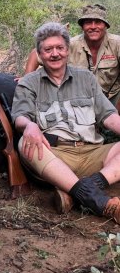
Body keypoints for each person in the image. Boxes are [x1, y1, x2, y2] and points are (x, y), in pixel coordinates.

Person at [11, 22, 120, 223]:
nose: (55, 54)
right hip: (54, 156)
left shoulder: (86, 78)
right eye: (48, 49)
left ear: (67, 51)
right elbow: (20, 116)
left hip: (92, 153)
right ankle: (103, 203)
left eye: (59, 48)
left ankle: (75, 191)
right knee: (25, 144)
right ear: (39, 54)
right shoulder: (29, 82)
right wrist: (30, 125)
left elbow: (108, 115)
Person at [24, 4, 120, 108]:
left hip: (112, 99)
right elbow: (35, 54)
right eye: (88, 22)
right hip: (80, 101)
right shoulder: (70, 44)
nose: (93, 26)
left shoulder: (117, 44)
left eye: (98, 22)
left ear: (105, 25)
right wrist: (27, 80)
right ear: (82, 26)